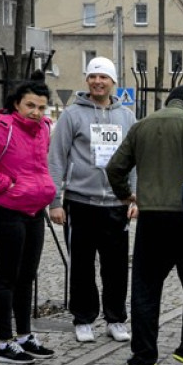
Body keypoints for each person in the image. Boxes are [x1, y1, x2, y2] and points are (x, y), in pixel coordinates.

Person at [106, 85, 183, 365]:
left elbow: (115, 167)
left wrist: (125, 195)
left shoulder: (142, 125)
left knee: (145, 287)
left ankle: (143, 357)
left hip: (150, 217)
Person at [48, 57, 137, 344]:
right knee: (81, 265)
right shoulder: (72, 115)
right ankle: (84, 318)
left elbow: (134, 161)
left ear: (113, 82)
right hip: (80, 202)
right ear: (87, 80)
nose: (98, 82)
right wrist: (55, 201)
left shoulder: (127, 117)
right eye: (93, 76)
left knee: (116, 266)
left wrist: (134, 197)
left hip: (116, 204)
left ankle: (116, 319)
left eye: (103, 77)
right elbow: (57, 158)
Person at [0, 77, 57, 365]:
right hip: (8, 211)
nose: (36, 112)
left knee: (28, 276)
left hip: (34, 212)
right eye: (30, 105)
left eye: (41, 107)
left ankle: (25, 335)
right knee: (7, 278)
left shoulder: (44, 129)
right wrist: (6, 184)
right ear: (16, 104)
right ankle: (4, 342)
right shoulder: (0, 129)